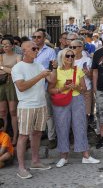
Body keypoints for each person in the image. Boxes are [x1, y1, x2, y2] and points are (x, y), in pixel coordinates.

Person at [48, 48, 100, 167]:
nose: (70, 58)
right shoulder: (56, 71)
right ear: (62, 57)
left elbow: (84, 89)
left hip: (77, 99)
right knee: (62, 127)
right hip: (61, 101)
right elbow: (50, 89)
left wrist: (76, 87)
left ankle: (86, 156)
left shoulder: (78, 70)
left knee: (80, 126)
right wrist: (62, 89)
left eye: (72, 56)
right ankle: (63, 156)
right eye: (67, 56)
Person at [12, 41, 53, 179]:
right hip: (26, 106)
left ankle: (35, 162)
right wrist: (40, 76)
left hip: (41, 105)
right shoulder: (18, 68)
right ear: (24, 51)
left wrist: (54, 69)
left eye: (37, 48)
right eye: (33, 48)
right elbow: (21, 87)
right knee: (23, 136)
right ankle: (21, 167)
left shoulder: (39, 65)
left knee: (37, 134)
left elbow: (51, 80)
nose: (37, 50)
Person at [32, 30, 57, 149]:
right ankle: (39, 134)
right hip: (31, 87)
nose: (36, 39)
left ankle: (52, 137)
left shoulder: (50, 51)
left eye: (38, 37)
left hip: (45, 86)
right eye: (34, 37)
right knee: (35, 113)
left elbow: (52, 69)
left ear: (44, 38)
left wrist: (46, 80)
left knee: (48, 114)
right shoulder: (29, 50)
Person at [0, 38, 21, 146]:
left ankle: (15, 136)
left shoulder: (18, 56)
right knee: (2, 112)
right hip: (1, 85)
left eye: (7, 44)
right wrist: (9, 69)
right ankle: (3, 137)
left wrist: (3, 67)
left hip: (12, 84)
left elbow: (16, 71)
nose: (5, 46)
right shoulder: (1, 56)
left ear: (13, 45)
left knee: (13, 111)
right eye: (3, 45)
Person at [70, 40, 94, 128]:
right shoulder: (68, 59)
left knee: (85, 113)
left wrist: (88, 73)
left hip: (86, 89)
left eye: (74, 47)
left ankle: (84, 131)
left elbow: (92, 76)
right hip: (72, 91)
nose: (72, 49)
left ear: (81, 48)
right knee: (73, 113)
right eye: (70, 47)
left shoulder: (88, 60)